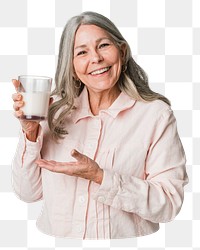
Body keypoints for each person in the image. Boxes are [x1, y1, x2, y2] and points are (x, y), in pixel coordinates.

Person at [12, 11, 188, 239]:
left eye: (103, 45)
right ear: (72, 67)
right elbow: (28, 193)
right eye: (82, 52)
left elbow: (168, 204)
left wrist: (101, 177)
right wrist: (31, 132)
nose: (95, 58)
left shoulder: (155, 115)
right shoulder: (52, 112)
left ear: (122, 52)